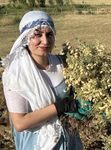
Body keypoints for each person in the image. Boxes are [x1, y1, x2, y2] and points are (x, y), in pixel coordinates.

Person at [2, 11, 83, 150]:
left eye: (49, 34)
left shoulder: (62, 63)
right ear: (26, 37)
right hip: (38, 144)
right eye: (37, 35)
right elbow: (20, 123)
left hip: (70, 141)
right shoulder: (16, 74)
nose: (45, 41)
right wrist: (59, 107)